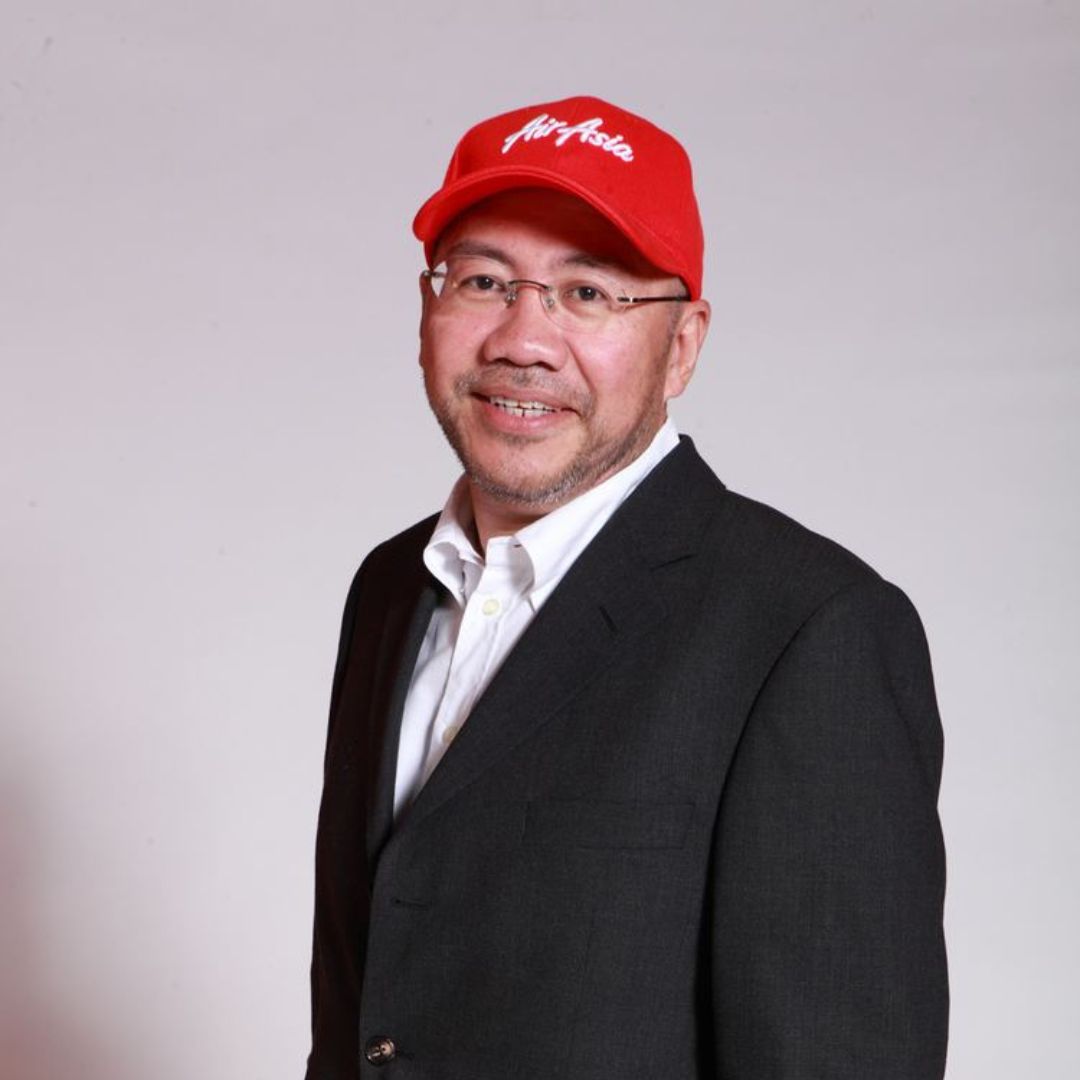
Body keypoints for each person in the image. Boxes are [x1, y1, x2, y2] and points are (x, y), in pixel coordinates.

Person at [305, 96, 948, 1080]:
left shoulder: (810, 631)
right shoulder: (391, 590)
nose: (523, 341)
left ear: (682, 345)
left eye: (589, 292)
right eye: (484, 280)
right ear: (427, 310)